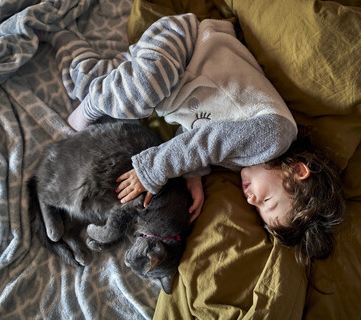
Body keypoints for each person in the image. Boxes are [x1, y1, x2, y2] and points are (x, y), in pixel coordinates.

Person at [43, 13, 345, 262]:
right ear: (298, 171)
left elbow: (199, 130)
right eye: (268, 200)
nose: (252, 199)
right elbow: (207, 140)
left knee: (93, 81)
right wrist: (153, 170)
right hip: (186, 46)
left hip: (166, 82)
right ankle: (93, 105)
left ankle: (58, 31)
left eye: (257, 207)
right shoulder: (275, 135)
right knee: (130, 96)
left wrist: (194, 175)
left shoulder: (243, 160)